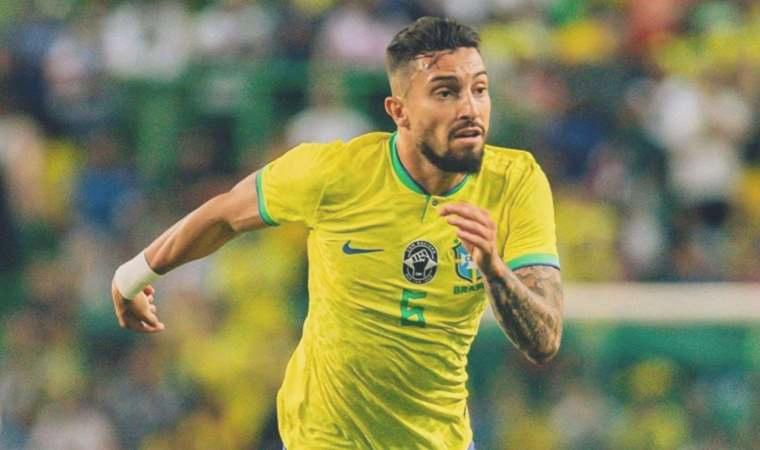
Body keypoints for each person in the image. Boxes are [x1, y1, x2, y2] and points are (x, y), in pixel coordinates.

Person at [111, 16, 563, 450]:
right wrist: (131, 277)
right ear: (399, 111)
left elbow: (544, 341)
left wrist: (493, 269)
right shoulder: (335, 173)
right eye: (445, 92)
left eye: (479, 89)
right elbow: (224, 214)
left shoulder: (515, 182)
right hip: (323, 437)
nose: (469, 109)